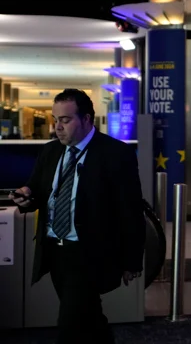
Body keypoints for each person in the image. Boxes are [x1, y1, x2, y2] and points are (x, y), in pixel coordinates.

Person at [8, 89, 145, 344]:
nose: (57, 127)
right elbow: (37, 189)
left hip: (89, 253)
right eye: (55, 119)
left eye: (65, 120)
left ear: (87, 119)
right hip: (54, 250)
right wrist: (25, 195)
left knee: (69, 326)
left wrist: (132, 260)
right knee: (89, 317)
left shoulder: (115, 154)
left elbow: (130, 210)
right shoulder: (50, 152)